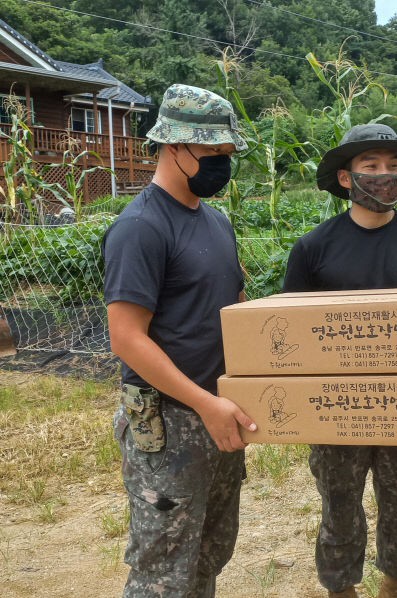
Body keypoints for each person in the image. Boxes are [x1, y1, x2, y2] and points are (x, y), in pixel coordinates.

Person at [283, 123, 397, 598]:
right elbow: (293, 335)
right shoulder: (314, 249)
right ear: (346, 179)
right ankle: (341, 589)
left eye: (393, 168)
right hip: (335, 408)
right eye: (371, 167)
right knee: (338, 504)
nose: (385, 176)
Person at [102, 84, 257, 598]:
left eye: (225, 153)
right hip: (168, 421)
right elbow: (126, 338)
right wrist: (203, 403)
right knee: (162, 567)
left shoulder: (216, 222)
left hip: (219, 411)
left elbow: (233, 311)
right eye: (210, 152)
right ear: (173, 147)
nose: (220, 163)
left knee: (211, 550)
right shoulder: (141, 227)